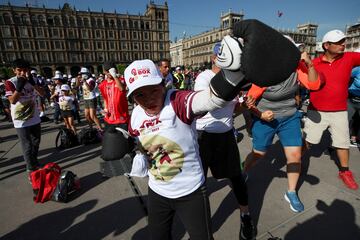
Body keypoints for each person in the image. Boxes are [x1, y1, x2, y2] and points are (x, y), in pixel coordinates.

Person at [243, 36, 321, 213]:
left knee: (295, 155)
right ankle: (244, 170)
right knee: (258, 154)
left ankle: (291, 192)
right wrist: (260, 114)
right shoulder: (264, 72)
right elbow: (248, 102)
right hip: (265, 118)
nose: (294, 55)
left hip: (290, 117)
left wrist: (309, 64)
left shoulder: (297, 68)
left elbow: (314, 85)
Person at [194, 42, 256, 240]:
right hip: (204, 135)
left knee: (236, 177)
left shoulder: (234, 78)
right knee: (199, 183)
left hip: (226, 135)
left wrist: (244, 106)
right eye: (224, 56)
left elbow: (231, 110)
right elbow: (210, 104)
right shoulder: (204, 77)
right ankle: (202, 228)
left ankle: (245, 216)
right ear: (214, 58)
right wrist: (236, 85)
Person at [303, 29, 360, 190]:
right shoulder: (314, 62)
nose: (344, 45)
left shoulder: (349, 57)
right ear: (327, 45)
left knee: (342, 143)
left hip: (340, 111)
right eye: (339, 42)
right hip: (316, 110)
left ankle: (344, 171)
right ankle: (295, 163)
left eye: (344, 41)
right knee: (308, 141)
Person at [4, 59, 45, 179]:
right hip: (20, 119)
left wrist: (33, 83)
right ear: (14, 70)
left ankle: (34, 161)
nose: (22, 73)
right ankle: (30, 169)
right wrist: (20, 86)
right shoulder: (10, 82)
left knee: (36, 142)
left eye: (25, 70)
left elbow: (42, 93)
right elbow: (12, 100)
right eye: (19, 70)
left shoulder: (33, 79)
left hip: (34, 116)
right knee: (27, 145)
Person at [98, 61, 130, 131]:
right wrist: (105, 109)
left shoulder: (121, 80)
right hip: (109, 119)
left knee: (123, 139)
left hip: (122, 118)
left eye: (111, 70)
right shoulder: (102, 85)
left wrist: (115, 76)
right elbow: (105, 99)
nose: (110, 73)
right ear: (104, 72)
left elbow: (121, 89)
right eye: (108, 71)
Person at [348, 48, 360, 147]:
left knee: (358, 120)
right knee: (347, 119)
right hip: (351, 98)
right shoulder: (356, 69)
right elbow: (345, 77)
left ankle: (355, 136)